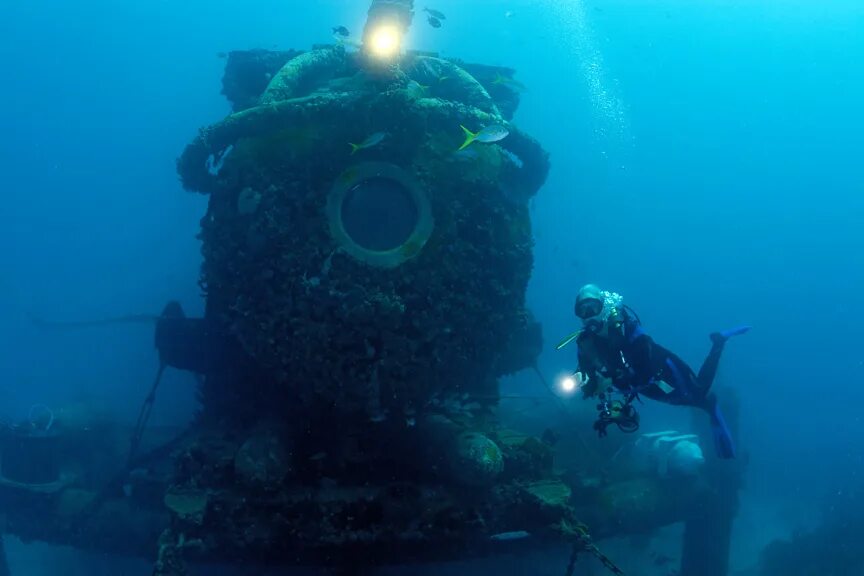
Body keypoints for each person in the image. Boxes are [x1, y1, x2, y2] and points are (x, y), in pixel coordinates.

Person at [561, 284, 750, 459]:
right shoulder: (585, 343)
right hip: (643, 388)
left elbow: (643, 370)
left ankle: (718, 343)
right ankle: (709, 404)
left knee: (700, 393)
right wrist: (584, 381)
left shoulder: (628, 329)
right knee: (694, 401)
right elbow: (586, 371)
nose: (588, 314)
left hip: (665, 372)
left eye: (592, 307)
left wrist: (609, 381)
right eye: (582, 310)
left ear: (603, 307)